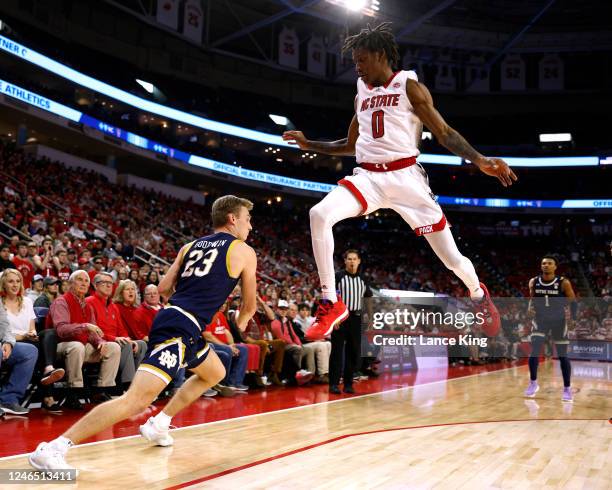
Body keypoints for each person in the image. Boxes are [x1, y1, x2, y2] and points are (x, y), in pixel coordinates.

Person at [282, 23, 515, 340]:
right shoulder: (361, 94)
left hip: (407, 180)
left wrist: (480, 160)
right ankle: (330, 301)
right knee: (319, 214)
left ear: (379, 55)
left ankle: (478, 295)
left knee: (452, 260)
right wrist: (311, 145)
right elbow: (350, 145)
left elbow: (444, 132)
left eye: (362, 60)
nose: (358, 68)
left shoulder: (409, 86)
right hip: (369, 178)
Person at [29, 195, 258, 471]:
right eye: (247, 219)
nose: (250, 226)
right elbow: (249, 304)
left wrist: (195, 292)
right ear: (232, 219)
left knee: (215, 372)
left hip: (177, 319)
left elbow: (162, 288)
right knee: (136, 399)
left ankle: (159, 424)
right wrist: (242, 320)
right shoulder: (243, 250)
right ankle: (54, 448)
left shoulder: (189, 247)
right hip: (181, 326)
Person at [524, 255, 576, 402]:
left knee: (562, 356)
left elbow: (573, 302)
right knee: (534, 350)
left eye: (549, 263)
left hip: (559, 321)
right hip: (540, 320)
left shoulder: (563, 283)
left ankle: (567, 388)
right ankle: (533, 383)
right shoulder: (534, 282)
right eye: (543, 263)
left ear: (555, 267)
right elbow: (532, 299)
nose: (546, 265)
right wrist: (530, 308)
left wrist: (573, 318)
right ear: (541, 266)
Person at [328, 250, 373, 394]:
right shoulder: (338, 277)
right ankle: (333, 384)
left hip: (357, 318)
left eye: (354, 259)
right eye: (349, 259)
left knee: (353, 352)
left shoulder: (364, 279)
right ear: (345, 261)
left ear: (359, 261)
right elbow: (330, 298)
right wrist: (333, 318)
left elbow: (368, 298)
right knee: (336, 352)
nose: (352, 261)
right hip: (340, 318)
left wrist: (370, 317)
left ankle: (348, 383)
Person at [0, 269, 39, 415]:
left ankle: (8, 400)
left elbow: (31, 328)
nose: (15, 285)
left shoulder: (27, 301)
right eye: (10, 281)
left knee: (31, 350)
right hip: (4, 342)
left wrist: (27, 336)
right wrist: (13, 340)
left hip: (18, 343)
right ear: (3, 284)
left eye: (18, 281)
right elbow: (3, 330)